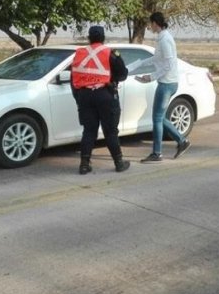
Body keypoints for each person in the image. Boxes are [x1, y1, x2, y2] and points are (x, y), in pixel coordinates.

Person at [71, 26, 130, 174]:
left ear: (88, 38)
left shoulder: (79, 53)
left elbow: (73, 78)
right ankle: (119, 163)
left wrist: (79, 97)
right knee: (110, 131)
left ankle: (84, 165)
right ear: (103, 38)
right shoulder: (110, 53)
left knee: (89, 131)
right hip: (105, 95)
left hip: (85, 96)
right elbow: (123, 74)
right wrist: (112, 80)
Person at [135, 12, 191, 163]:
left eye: (150, 23)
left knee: (157, 119)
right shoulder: (162, 38)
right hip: (166, 82)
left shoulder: (165, 39)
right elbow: (157, 58)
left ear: (155, 23)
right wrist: (141, 63)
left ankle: (157, 153)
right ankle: (181, 141)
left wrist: (151, 77)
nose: (149, 26)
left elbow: (168, 64)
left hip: (166, 84)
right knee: (160, 118)